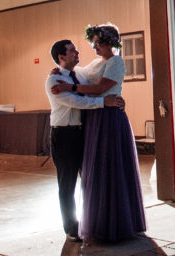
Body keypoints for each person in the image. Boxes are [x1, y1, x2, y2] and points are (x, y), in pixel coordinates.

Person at [71, 23, 146, 243]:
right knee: (96, 168)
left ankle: (117, 222)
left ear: (111, 43)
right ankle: (99, 221)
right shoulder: (96, 63)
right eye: (93, 43)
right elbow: (78, 73)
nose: (95, 47)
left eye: (98, 43)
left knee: (110, 166)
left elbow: (100, 88)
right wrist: (62, 71)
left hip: (110, 117)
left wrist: (70, 88)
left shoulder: (117, 62)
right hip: (94, 117)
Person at [45, 38, 125, 243]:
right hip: (64, 135)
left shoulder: (78, 74)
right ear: (61, 57)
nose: (78, 52)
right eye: (72, 51)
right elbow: (76, 101)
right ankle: (71, 228)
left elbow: (99, 84)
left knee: (89, 178)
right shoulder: (54, 81)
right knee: (67, 183)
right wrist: (104, 102)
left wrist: (115, 96)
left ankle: (91, 221)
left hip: (82, 132)